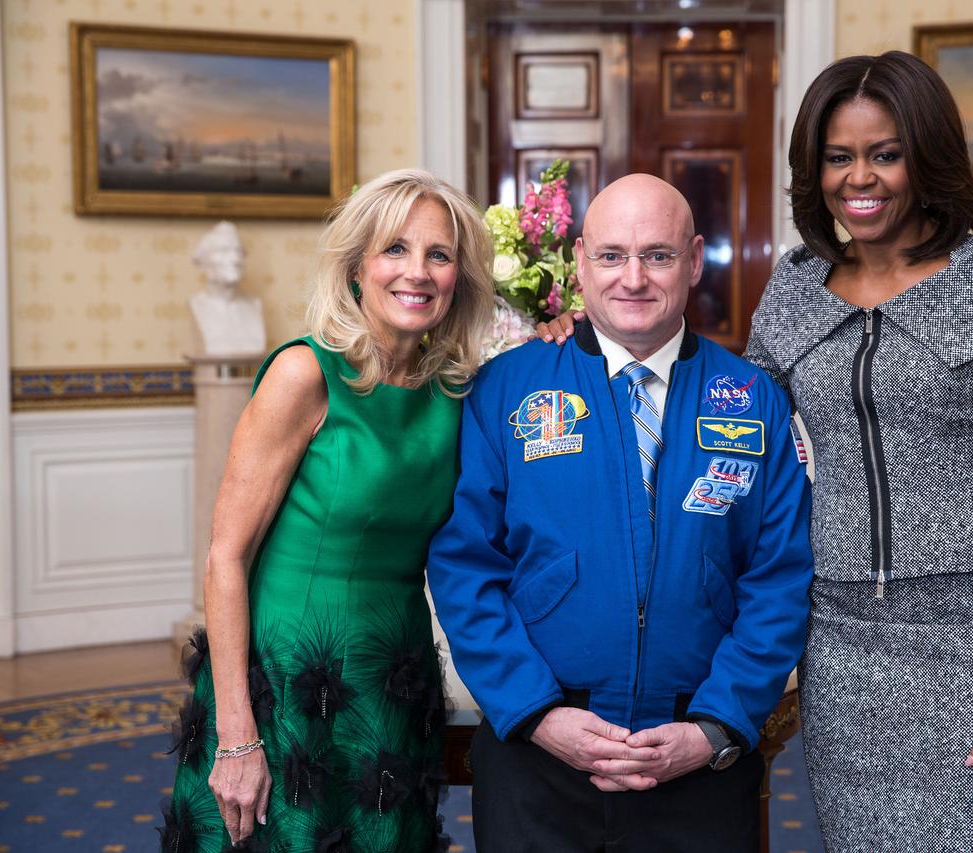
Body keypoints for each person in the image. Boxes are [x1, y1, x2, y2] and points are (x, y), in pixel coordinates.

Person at [746, 52, 973, 850]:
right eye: (838, 156)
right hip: (837, 642)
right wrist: (579, 338)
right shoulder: (794, 290)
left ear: (925, 155)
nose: (859, 177)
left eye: (884, 153)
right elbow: (731, 426)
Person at [427, 173, 813, 853]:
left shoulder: (752, 398)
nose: (632, 278)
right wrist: (538, 713)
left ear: (694, 259)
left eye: (658, 255)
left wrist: (713, 727)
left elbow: (779, 578)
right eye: (611, 255)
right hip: (537, 754)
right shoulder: (507, 389)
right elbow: (465, 566)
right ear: (579, 261)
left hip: (697, 758)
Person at [162, 169, 494, 852]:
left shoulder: (459, 394)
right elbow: (226, 557)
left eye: (439, 254)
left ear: (460, 275)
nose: (418, 271)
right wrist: (235, 734)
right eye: (395, 249)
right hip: (285, 682)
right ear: (356, 269)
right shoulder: (304, 375)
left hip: (390, 676)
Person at [189, 221, 267, 357]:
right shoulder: (196, 305)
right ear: (204, 262)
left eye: (239, 251)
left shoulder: (255, 305)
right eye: (224, 250)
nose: (235, 259)